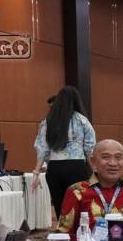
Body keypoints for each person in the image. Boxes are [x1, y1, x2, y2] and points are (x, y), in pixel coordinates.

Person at [58, 139, 123, 234]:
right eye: (105, 157)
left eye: (118, 157)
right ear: (93, 162)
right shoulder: (77, 191)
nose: (113, 163)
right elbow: (63, 234)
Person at [32, 86, 97, 218]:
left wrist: (36, 172)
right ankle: (79, 229)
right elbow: (90, 148)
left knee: (60, 206)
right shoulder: (82, 120)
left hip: (54, 168)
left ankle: (62, 229)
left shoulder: (48, 121)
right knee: (79, 205)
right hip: (76, 167)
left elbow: (42, 147)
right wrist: (95, 171)